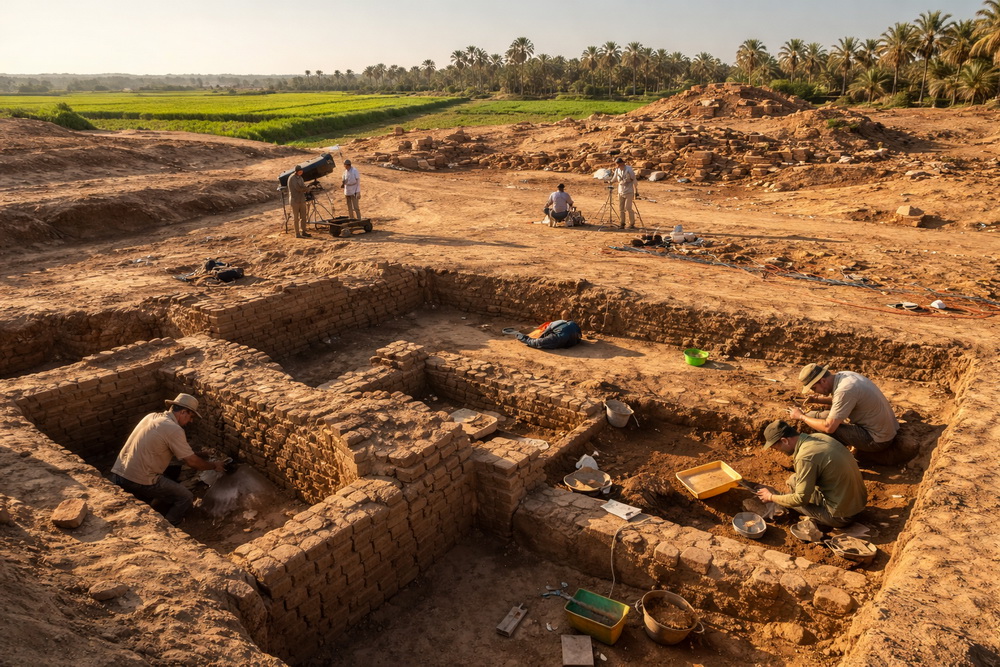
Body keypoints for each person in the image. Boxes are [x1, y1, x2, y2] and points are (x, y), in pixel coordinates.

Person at [110, 393, 225, 526]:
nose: (191, 421)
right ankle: (169, 526)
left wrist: (201, 454)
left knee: (172, 473)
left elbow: (175, 450)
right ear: (183, 412)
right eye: (191, 416)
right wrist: (214, 465)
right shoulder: (174, 429)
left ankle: (154, 504)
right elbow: (192, 462)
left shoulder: (151, 417)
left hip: (118, 474)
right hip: (139, 480)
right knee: (185, 497)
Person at [756, 419, 867, 528]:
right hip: (858, 503)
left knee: (795, 499)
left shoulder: (805, 456)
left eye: (777, 448)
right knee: (794, 480)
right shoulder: (818, 437)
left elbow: (800, 499)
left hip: (842, 517)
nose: (779, 451)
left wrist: (771, 497)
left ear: (785, 441)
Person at [786, 363, 899, 454]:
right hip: (887, 430)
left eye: (814, 388)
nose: (814, 392)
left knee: (820, 425)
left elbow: (828, 427)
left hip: (878, 440)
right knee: (822, 416)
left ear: (823, 381)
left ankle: (835, 457)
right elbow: (844, 401)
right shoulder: (844, 375)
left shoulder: (844, 390)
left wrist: (801, 416)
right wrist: (817, 399)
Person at [515, 319, 582, 350]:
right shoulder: (558, 322)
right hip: (574, 328)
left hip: (566, 336)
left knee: (540, 343)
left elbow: (536, 342)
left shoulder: (556, 337)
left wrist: (522, 337)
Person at [287, 165, 312, 238]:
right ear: (296, 171)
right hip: (295, 200)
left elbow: (302, 186)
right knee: (296, 218)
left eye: (301, 171)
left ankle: (303, 231)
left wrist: (307, 187)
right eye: (299, 171)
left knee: (303, 217)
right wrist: (307, 189)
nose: (301, 173)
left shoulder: (300, 178)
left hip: (301, 199)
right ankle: (297, 233)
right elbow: (298, 188)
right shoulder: (292, 178)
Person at [612, 157, 637, 229]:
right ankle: (622, 223)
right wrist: (609, 181)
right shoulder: (617, 170)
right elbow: (614, 178)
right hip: (621, 191)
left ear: (622, 163)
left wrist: (636, 191)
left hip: (629, 191)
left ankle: (632, 223)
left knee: (628, 208)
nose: (618, 165)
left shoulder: (629, 169)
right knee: (621, 208)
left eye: (619, 164)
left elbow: (633, 179)